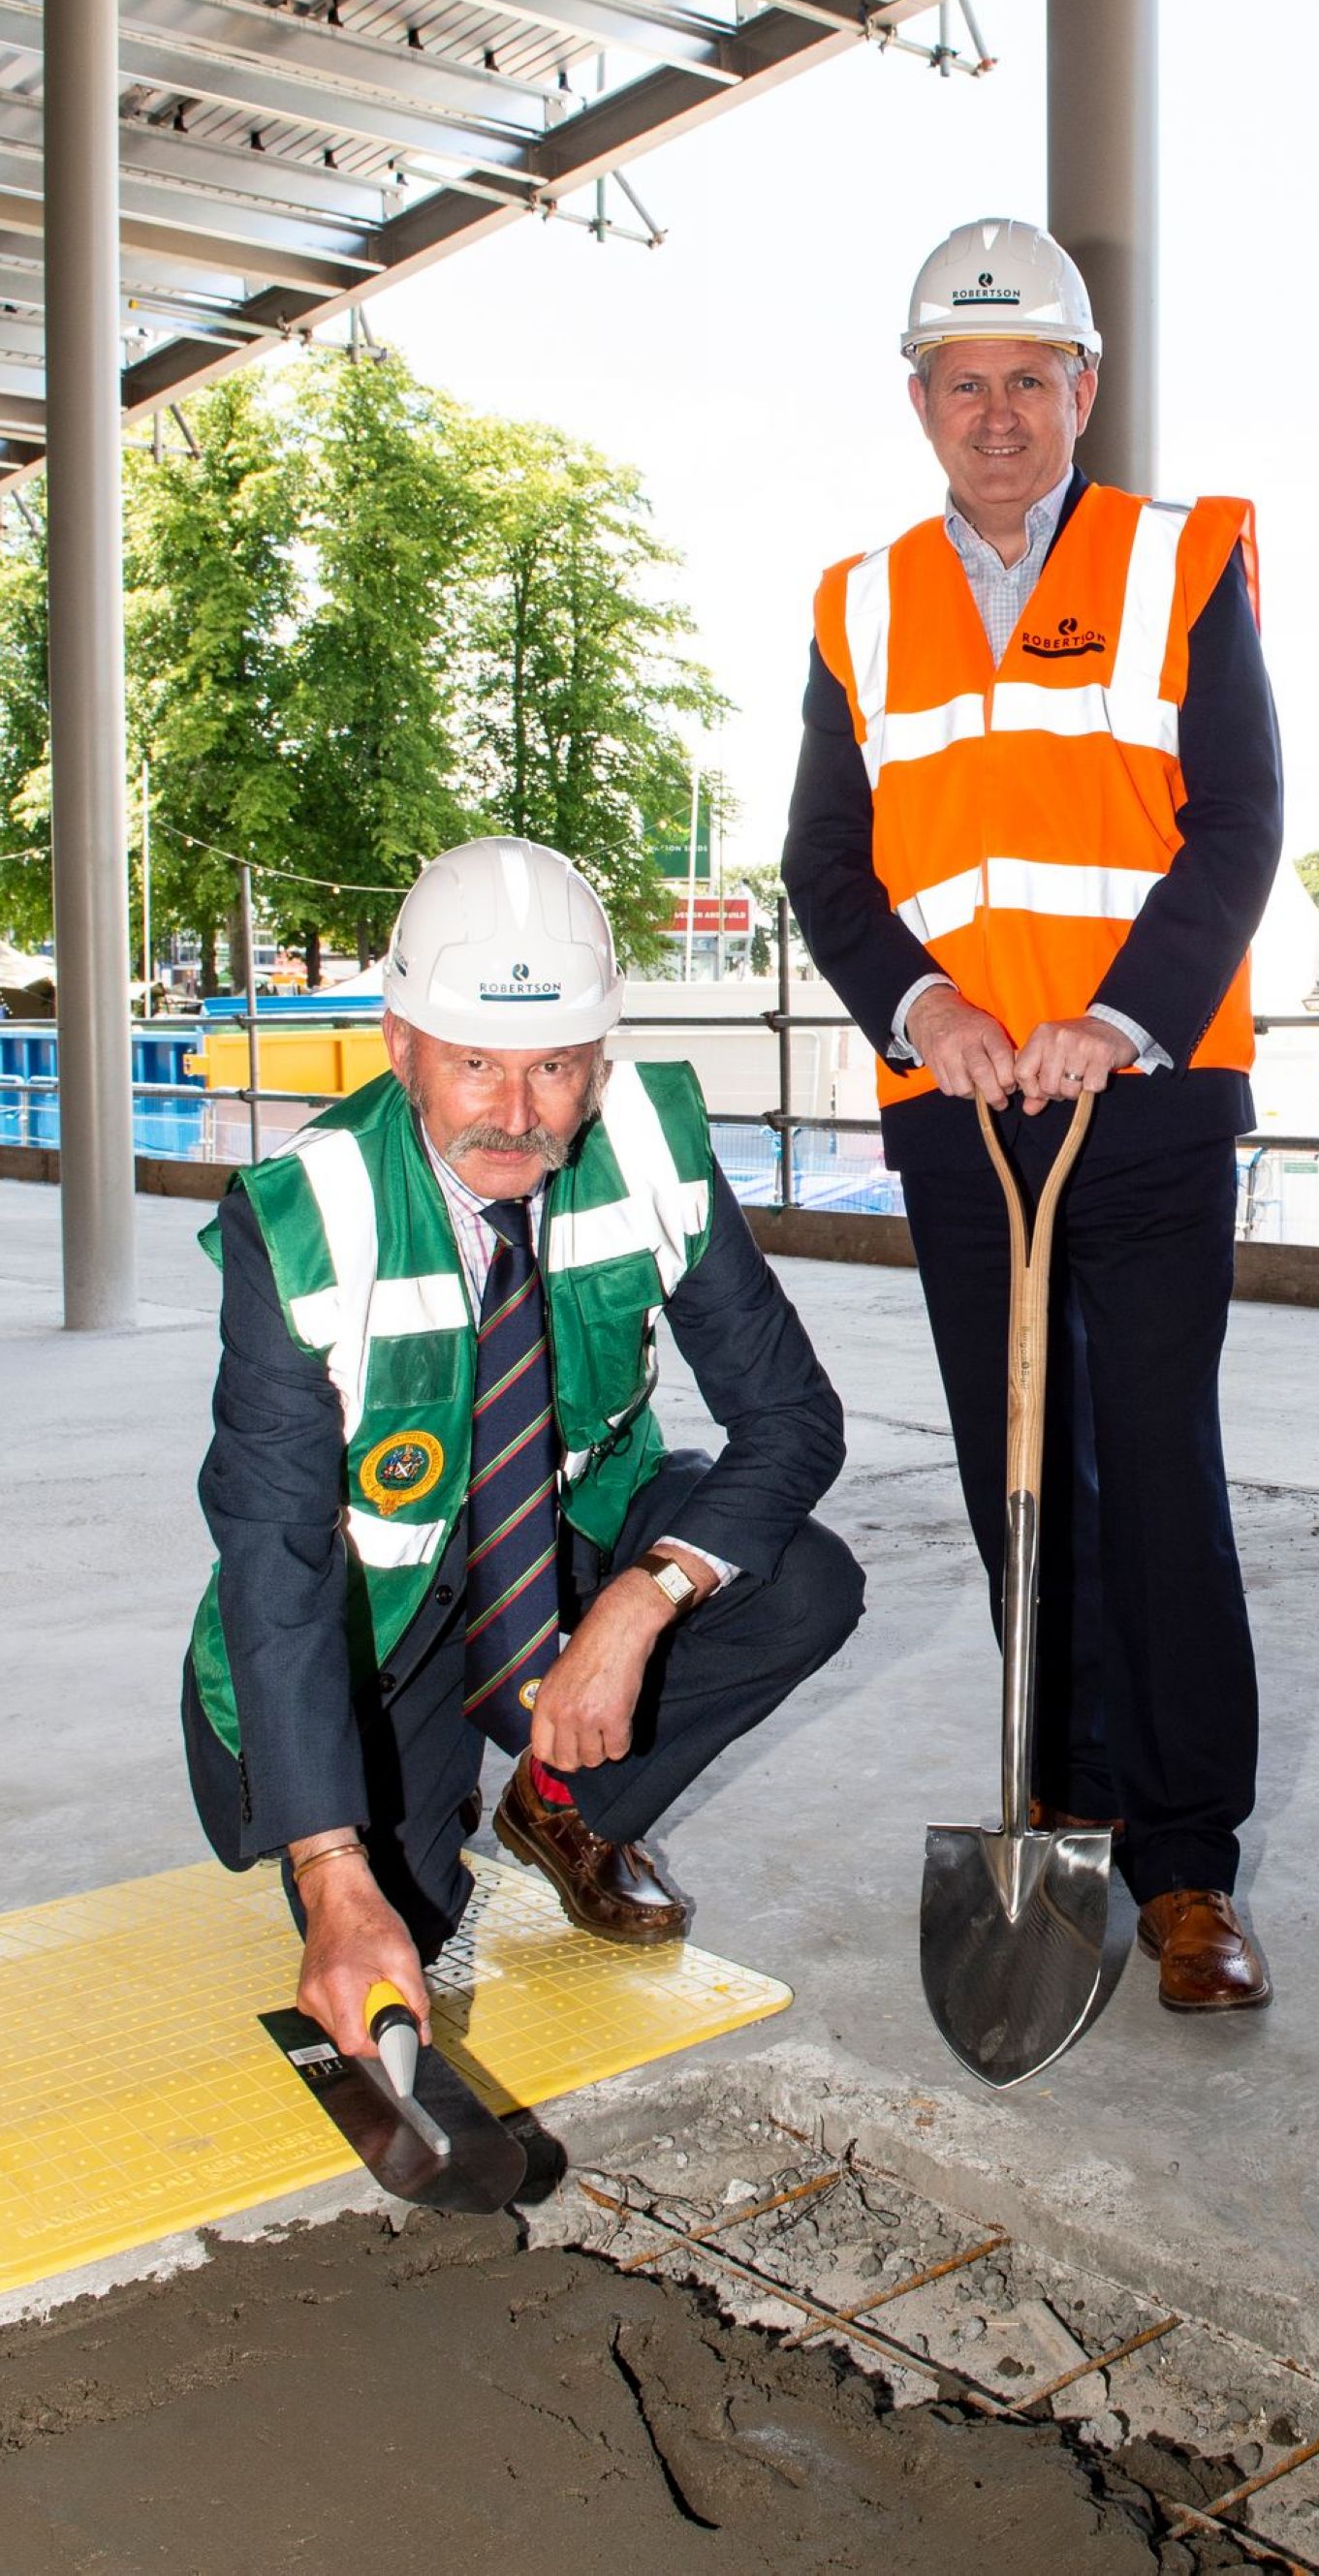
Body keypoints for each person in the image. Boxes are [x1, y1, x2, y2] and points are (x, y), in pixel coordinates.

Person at [783, 219, 1284, 2015]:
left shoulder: (1179, 565)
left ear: (1085, 388)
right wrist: (926, 1014)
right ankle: (1058, 1796)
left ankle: (1189, 1871)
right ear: (918, 400)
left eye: (1029, 380)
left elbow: (1235, 823)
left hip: (1140, 1104)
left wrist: (1122, 1021)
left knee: (1157, 1473)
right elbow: (822, 868)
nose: (997, 415)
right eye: (963, 382)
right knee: (1021, 1485)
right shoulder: (858, 604)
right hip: (962, 1112)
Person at [183, 837, 864, 2063]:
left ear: (598, 1054)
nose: (516, 1114)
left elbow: (794, 1421)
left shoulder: (647, 1143)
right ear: (401, 1047)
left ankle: (560, 1808)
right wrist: (335, 1871)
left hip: (572, 1542)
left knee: (801, 1577)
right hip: (377, 1627)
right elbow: (274, 1563)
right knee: (401, 1928)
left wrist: (644, 1603)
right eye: (475, 1065)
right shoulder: (302, 1218)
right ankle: (386, 1848)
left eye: (555, 1065)